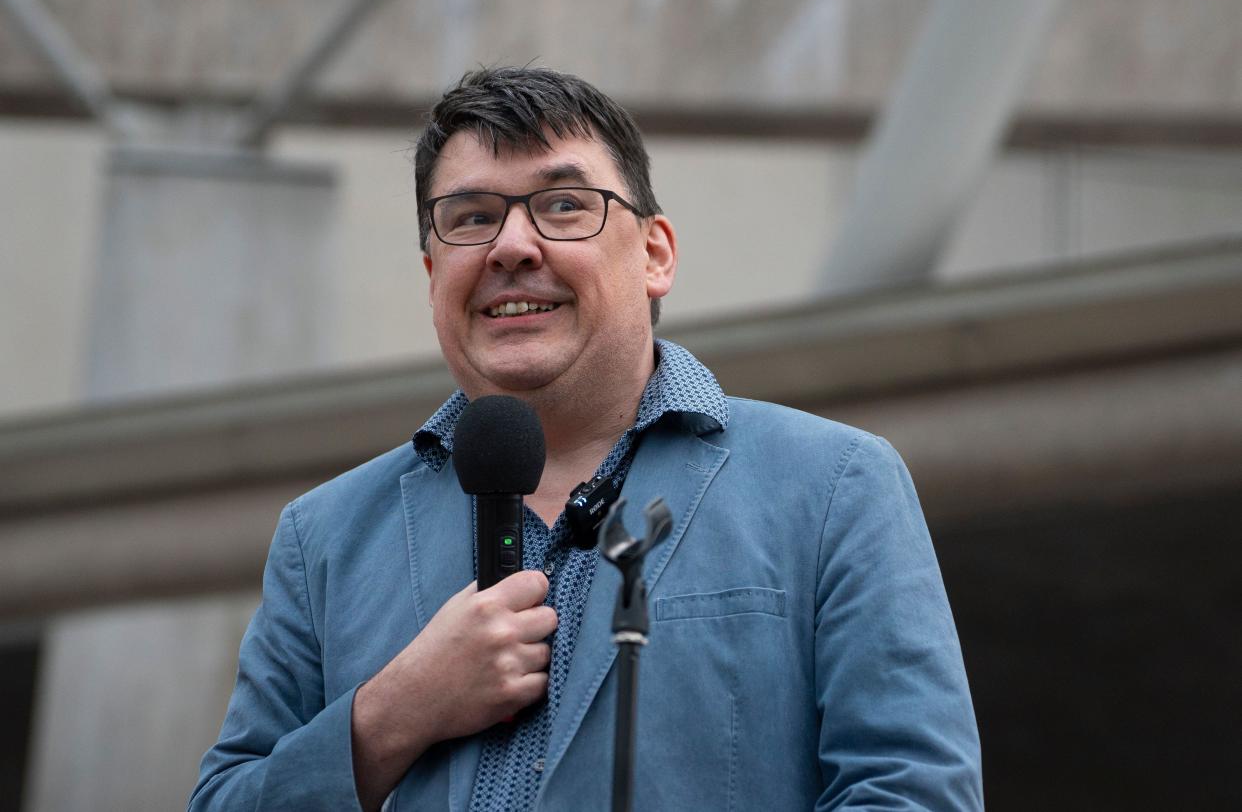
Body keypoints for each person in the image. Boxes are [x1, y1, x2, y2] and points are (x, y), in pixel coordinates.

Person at [190, 66, 982, 811]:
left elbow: (913, 793)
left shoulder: (832, 486)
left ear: (655, 254)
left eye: (563, 205)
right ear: (433, 277)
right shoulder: (323, 538)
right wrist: (392, 714)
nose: (511, 246)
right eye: (471, 218)